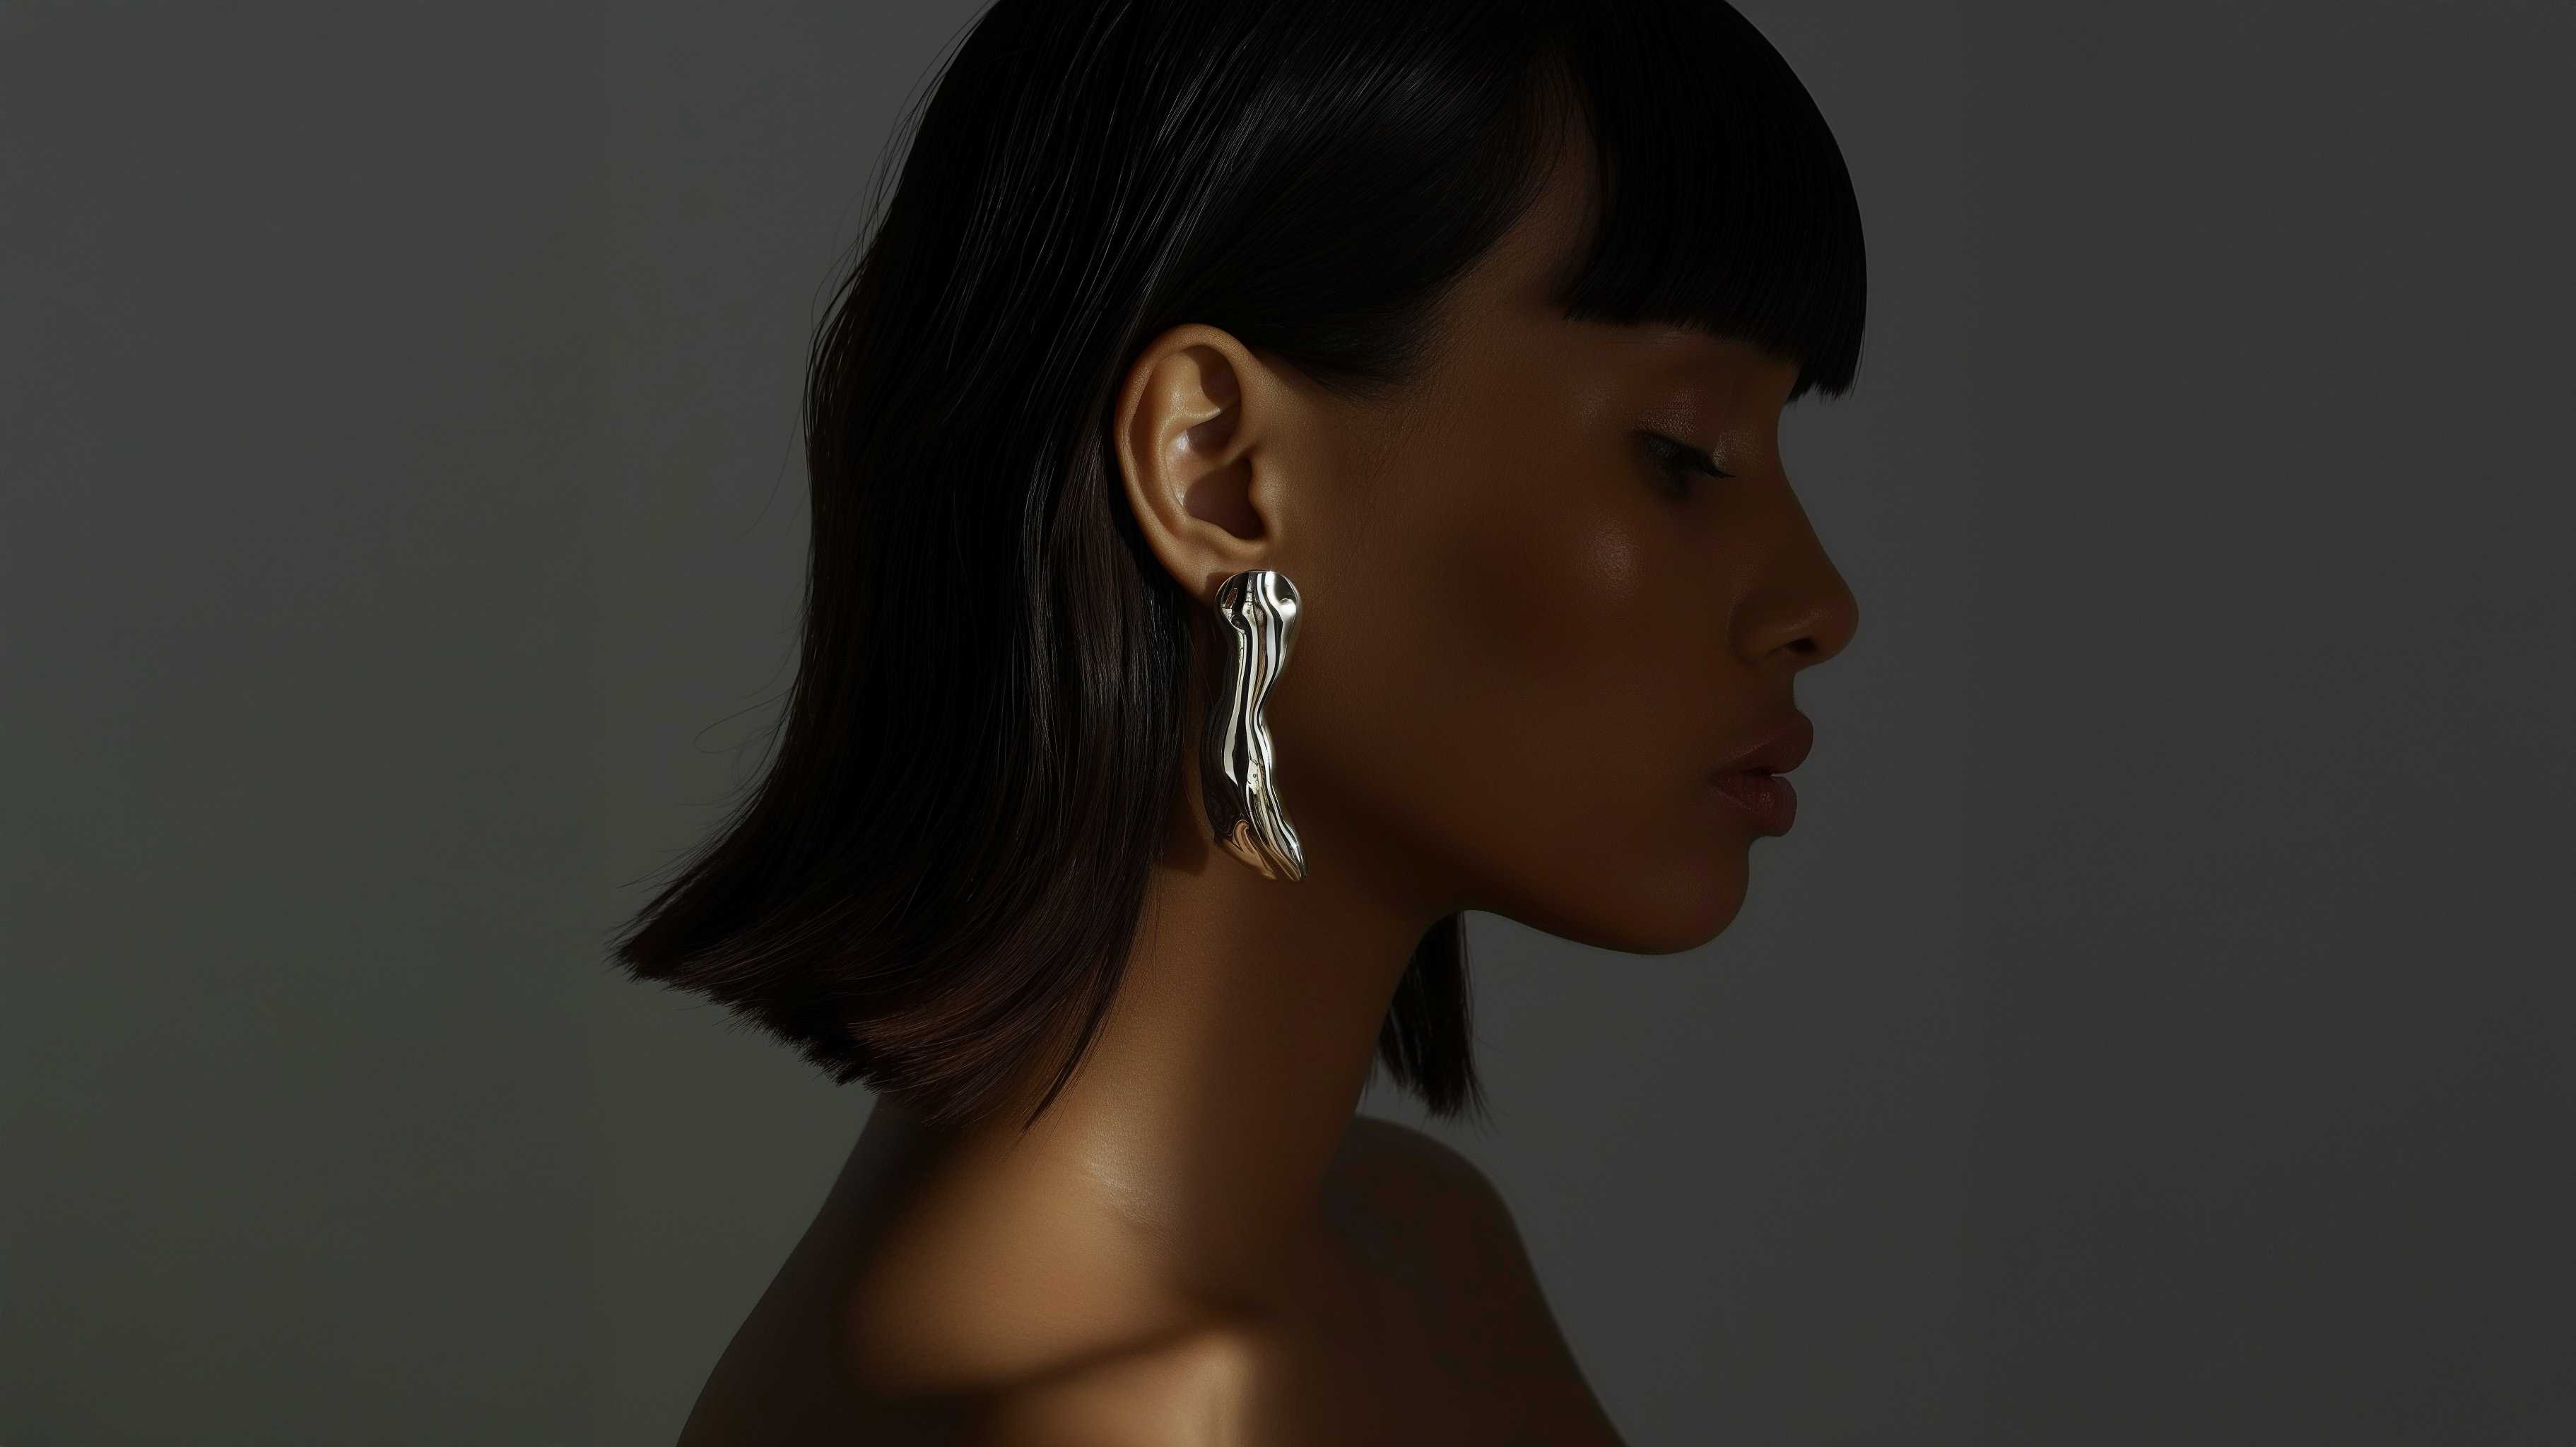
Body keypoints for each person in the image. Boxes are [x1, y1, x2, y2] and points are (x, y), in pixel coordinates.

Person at [613, 0, 1864, 1439]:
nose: (1818, 604)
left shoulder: (1430, 1247)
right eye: (1682, 454)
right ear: (1215, 471)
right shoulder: (1109, 1419)